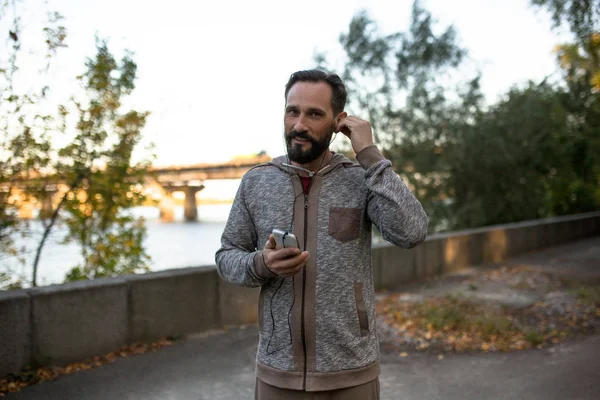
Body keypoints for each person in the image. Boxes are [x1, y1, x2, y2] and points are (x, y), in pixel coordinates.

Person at [215, 69, 428, 399]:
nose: (299, 125)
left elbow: (412, 231)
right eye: (292, 111)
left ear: (338, 121)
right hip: (277, 372)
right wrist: (263, 264)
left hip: (351, 372)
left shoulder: (361, 178)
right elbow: (227, 257)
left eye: (314, 114)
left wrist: (370, 154)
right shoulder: (256, 182)